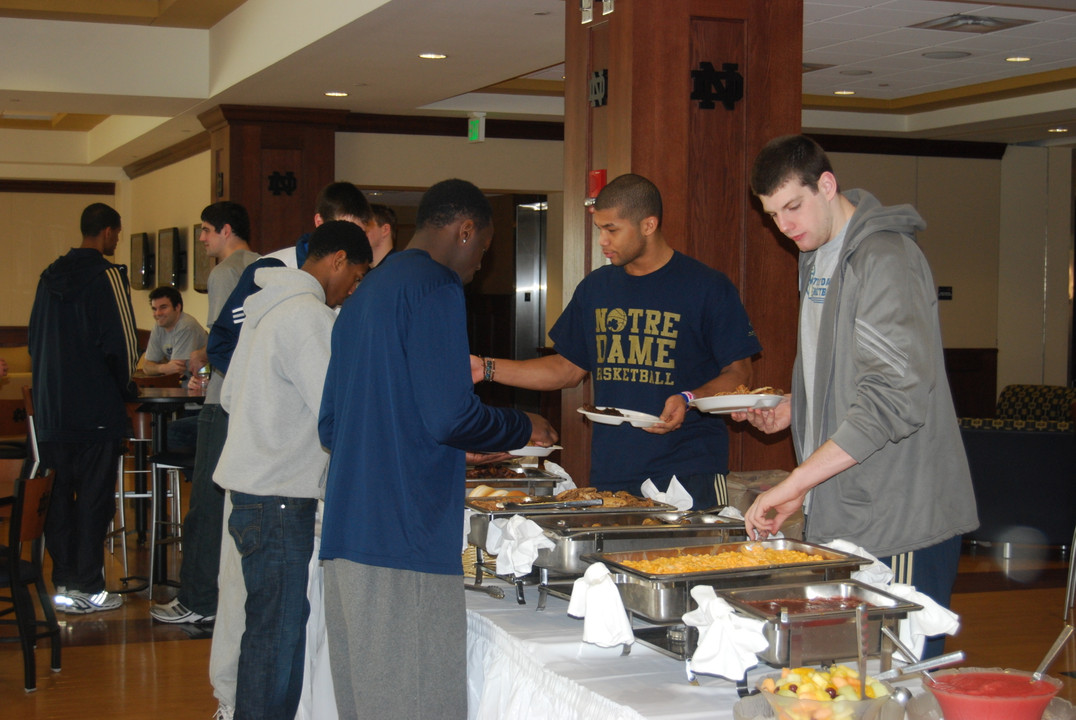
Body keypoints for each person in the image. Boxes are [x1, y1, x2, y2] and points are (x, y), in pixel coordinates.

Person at [319, 179, 557, 719]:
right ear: (464, 230)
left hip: (348, 538)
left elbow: (335, 427)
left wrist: (444, 450)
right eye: (483, 248)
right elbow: (451, 415)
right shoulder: (435, 287)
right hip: (405, 542)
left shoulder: (362, 296)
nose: (480, 264)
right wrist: (523, 426)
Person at [738, 134, 978, 658]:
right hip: (846, 510)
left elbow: (894, 398)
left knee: (900, 679)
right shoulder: (819, 255)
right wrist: (795, 407)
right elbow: (847, 373)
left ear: (827, 185)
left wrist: (796, 480)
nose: (784, 226)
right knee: (853, 678)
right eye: (772, 214)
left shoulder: (886, 257)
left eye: (793, 207)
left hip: (902, 517)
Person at [477, 173, 761, 509]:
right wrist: (486, 368)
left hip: (689, 470)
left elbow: (741, 372)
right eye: (599, 229)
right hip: (613, 471)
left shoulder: (707, 286)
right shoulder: (596, 288)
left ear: (648, 225)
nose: (602, 240)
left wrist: (689, 397)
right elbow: (566, 369)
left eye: (612, 229)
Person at [204, 181, 372, 720]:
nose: (353, 290)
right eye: (358, 277)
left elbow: (229, 394)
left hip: (250, 492)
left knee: (263, 633)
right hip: (278, 501)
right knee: (276, 643)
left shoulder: (263, 306)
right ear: (338, 260)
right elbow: (336, 413)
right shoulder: (308, 317)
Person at [150, 201, 259, 626]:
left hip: (220, 400)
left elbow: (220, 343)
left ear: (226, 230)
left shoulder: (224, 274)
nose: (201, 239)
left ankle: (198, 599)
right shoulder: (265, 265)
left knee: (206, 506)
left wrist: (199, 359)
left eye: (206, 231)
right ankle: (226, 598)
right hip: (249, 401)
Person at [28, 202, 139, 613]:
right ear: (108, 233)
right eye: (117, 233)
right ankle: (90, 586)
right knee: (94, 500)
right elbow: (123, 346)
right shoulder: (107, 275)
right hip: (95, 410)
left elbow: (33, 340)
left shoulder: (47, 277)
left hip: (52, 411)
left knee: (57, 500)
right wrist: (125, 389)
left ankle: (64, 583)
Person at [141, 285, 207, 379]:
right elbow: (146, 367)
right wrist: (163, 368)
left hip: (200, 385)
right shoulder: (159, 326)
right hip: (181, 385)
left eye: (163, 307)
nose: (158, 313)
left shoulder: (186, 325)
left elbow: (176, 371)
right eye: (154, 309)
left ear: (177, 307)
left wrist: (158, 368)